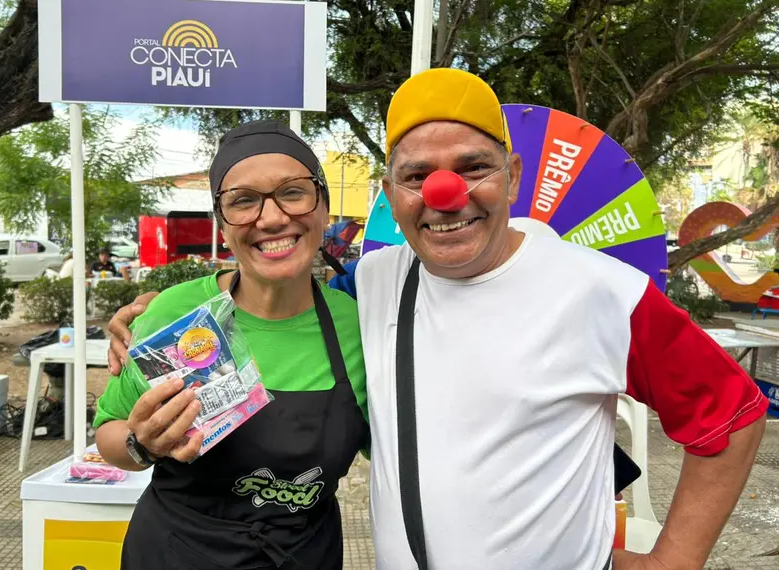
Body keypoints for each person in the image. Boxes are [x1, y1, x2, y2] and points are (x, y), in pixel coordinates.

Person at [107, 70, 768, 569]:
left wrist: (671, 560)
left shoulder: (600, 292)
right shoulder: (376, 282)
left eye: (473, 168)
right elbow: (271, 298)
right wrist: (146, 313)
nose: (446, 195)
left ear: (511, 173)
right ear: (392, 193)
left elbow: (732, 419)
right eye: (418, 176)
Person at [94, 120, 368, 569]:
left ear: (324, 207)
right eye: (243, 201)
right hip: (175, 555)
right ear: (222, 224)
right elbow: (109, 434)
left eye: (294, 192)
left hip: (304, 557)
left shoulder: (361, 325)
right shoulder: (173, 313)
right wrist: (142, 445)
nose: (273, 217)